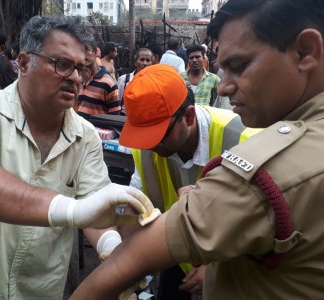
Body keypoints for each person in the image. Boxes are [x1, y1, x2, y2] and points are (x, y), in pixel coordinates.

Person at [70, 0, 324, 299]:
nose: (223, 87)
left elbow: (135, 258)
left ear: (305, 51)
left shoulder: (251, 147)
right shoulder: (147, 150)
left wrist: (211, 262)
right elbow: (140, 213)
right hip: (182, 259)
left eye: (239, 66)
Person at [0, 16, 154, 299]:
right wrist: (74, 210)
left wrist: (110, 243)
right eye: (62, 64)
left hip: (36, 289)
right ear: (23, 63)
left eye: (81, 69)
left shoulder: (86, 137)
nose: (74, 77)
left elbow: (97, 206)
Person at [119, 64, 260, 299]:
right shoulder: (146, 150)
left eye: (159, 136)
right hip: (178, 254)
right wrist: (122, 257)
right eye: (144, 137)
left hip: (234, 264)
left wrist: (215, 267)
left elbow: (258, 227)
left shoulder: (243, 141)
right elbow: (136, 205)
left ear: (189, 116)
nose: (152, 146)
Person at [77, 44, 121, 118]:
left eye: (86, 50)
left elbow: (115, 117)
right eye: (79, 51)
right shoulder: (77, 79)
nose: (82, 54)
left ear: (95, 53)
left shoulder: (109, 83)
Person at [117, 48, 153, 115]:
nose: (145, 63)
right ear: (135, 63)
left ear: (151, 64)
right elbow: (117, 102)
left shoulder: (154, 83)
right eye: (142, 59)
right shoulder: (124, 80)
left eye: (148, 60)